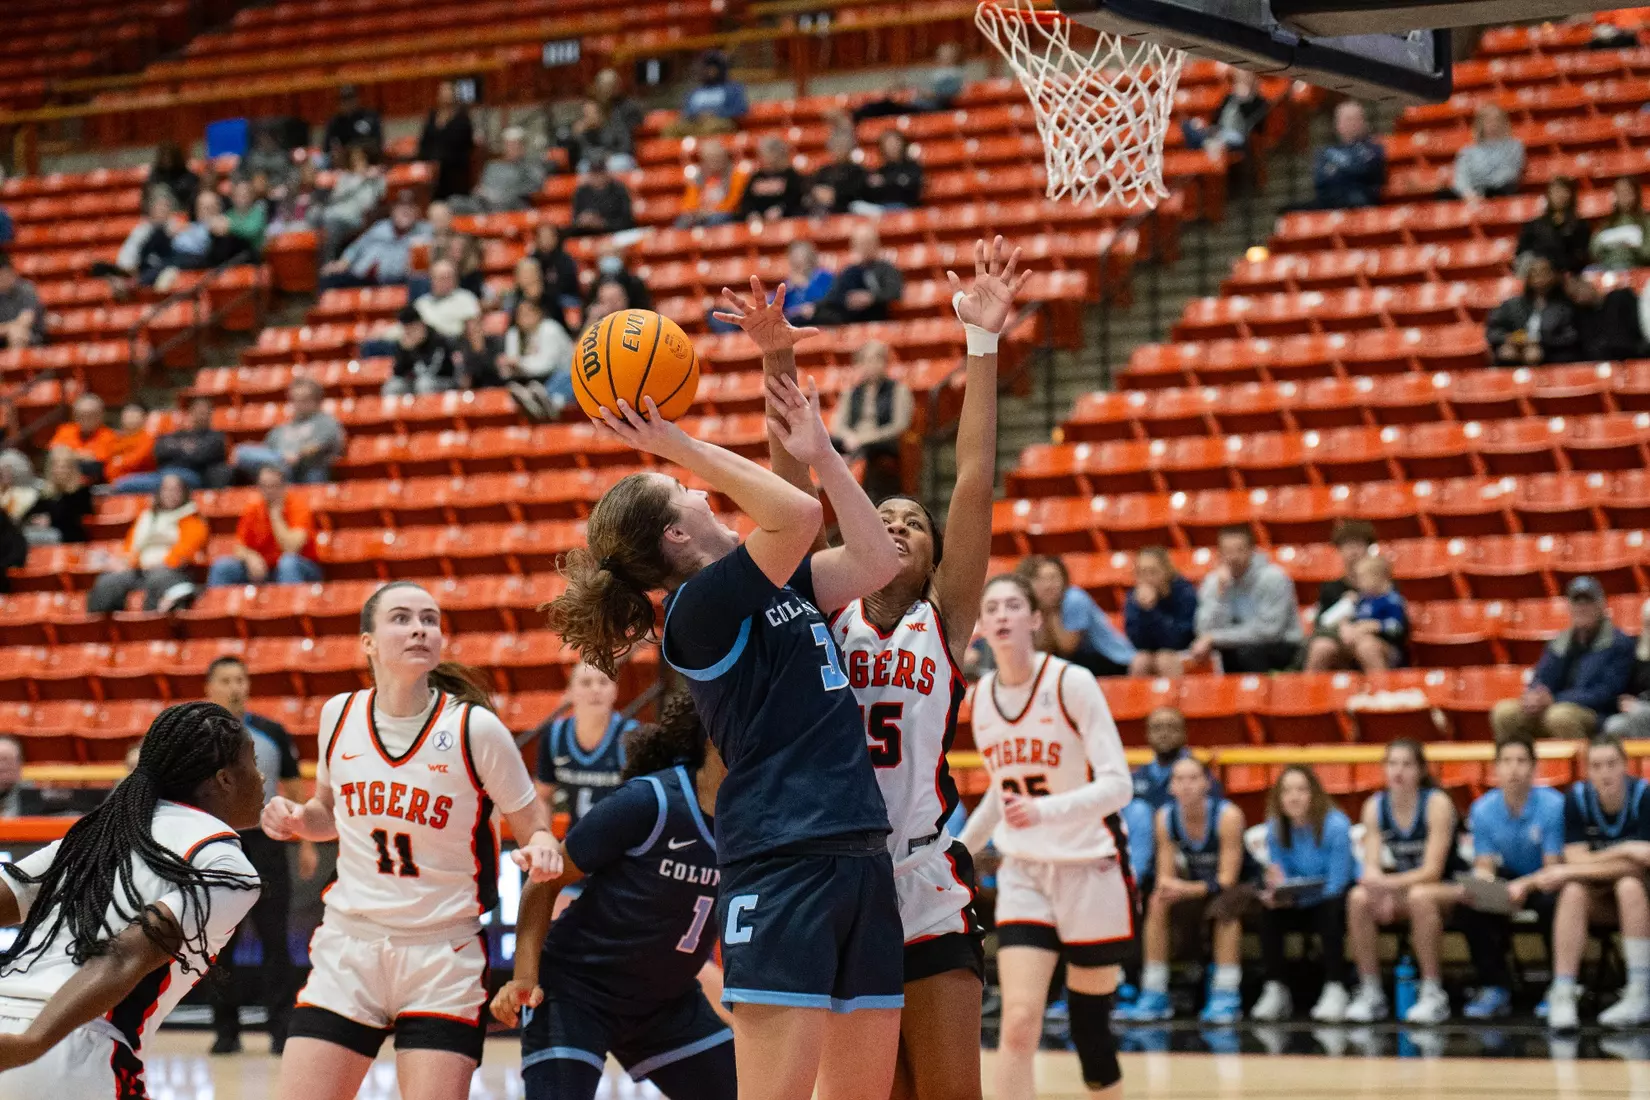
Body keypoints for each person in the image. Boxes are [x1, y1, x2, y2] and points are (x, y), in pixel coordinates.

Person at [541, 309, 905, 1100]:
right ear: (676, 535)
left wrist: (821, 453)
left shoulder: (770, 576)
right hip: (782, 857)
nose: (700, 486)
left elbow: (877, 561)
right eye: (683, 487)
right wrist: (672, 441)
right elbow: (797, 515)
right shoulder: (699, 610)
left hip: (857, 849)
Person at [739, 238, 1025, 1100]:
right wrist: (777, 357)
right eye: (884, 516)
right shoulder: (824, 610)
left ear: (935, 555)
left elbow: (973, 478)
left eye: (914, 523)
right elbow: (788, 497)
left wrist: (982, 342)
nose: (897, 525)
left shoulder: (946, 620)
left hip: (923, 878)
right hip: (839, 878)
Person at [259, 582, 561, 1100]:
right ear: (368, 642)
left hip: (442, 953)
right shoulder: (339, 715)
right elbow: (328, 814)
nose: (420, 629)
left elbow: (534, 825)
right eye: (401, 618)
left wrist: (542, 846)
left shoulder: (476, 729)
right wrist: (296, 819)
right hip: (350, 944)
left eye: (429, 619)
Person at [0, 703, 264, 1096]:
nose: (262, 777)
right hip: (67, 1046)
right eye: (253, 764)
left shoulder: (99, 833)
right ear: (225, 779)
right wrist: (33, 1043)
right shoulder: (225, 863)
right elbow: (124, 956)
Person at [494, 694, 734, 1100]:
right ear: (715, 733)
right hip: (576, 992)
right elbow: (545, 882)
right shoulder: (650, 801)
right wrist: (524, 975)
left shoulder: (756, 819)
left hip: (667, 1002)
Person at [958, 573, 1133, 1098]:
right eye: (992, 607)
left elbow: (1119, 785)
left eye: (1014, 605)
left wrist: (1044, 811)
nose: (1003, 615)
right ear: (982, 625)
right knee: (1016, 1022)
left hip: (1091, 865)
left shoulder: (1071, 683)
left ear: (1035, 619)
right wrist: (957, 852)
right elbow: (1002, 791)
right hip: (1025, 872)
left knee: (1090, 1029)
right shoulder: (980, 698)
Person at [1401, 732, 1565, 1025]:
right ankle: (1494, 986)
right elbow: (1485, 864)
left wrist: (1525, 886)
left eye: (1521, 761)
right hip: (1507, 877)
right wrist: (1485, 885)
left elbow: (1553, 867)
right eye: (1507, 761)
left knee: (1553, 903)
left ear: (1534, 767)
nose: (1514, 769)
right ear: (1495, 768)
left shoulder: (1553, 805)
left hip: (1543, 879)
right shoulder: (1483, 809)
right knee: (1471, 901)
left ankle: (1559, 987)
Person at [200, 657, 314, 1055]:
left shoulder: (272, 732)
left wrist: (306, 841)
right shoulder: (196, 735)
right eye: (225, 680)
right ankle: (225, 1031)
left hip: (265, 843)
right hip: (215, 845)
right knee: (220, 943)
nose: (235, 687)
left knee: (275, 940)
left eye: (240, 679)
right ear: (209, 688)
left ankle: (281, 1029)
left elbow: (294, 787)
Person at [1517, 734, 1650, 1030]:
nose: (1605, 773)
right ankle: (1564, 991)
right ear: (1587, 770)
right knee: (1573, 890)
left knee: (1628, 884)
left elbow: (1641, 863)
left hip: (1642, 898)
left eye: (1611, 764)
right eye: (1597, 766)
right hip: (1599, 896)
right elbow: (1576, 860)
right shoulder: (1576, 798)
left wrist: (1582, 865)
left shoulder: (1644, 795)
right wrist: (1625, 850)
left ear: (1625, 766)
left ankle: (1641, 991)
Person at [1118, 756, 1255, 1024]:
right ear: (1171, 787)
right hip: (1198, 888)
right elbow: (1165, 879)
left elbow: (1227, 880)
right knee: (1158, 900)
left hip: (1242, 889)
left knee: (1225, 908)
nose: (1186, 785)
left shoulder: (1228, 816)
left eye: (1193, 778)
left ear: (1207, 783)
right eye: (1179, 779)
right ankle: (1154, 990)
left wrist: (1184, 889)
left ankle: (1226, 993)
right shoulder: (1165, 817)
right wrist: (1174, 889)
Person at [1342, 739, 1464, 1022]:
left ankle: (1433, 992)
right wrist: (1379, 889)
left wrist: (1387, 886)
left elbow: (1432, 872)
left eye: (1407, 764)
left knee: (1420, 897)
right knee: (1358, 899)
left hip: (1449, 887)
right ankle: (1370, 991)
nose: (1398, 771)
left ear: (1421, 770)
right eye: (1392, 764)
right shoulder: (1375, 806)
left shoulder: (1436, 803)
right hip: (1405, 888)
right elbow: (1371, 868)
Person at [1249, 765, 1355, 1023]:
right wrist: (1278, 894)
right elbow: (1281, 874)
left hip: (1333, 897)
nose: (1294, 797)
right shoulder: (1275, 828)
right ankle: (1275, 987)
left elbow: (1338, 881)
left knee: (1331, 911)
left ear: (1314, 794)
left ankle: (1336, 986)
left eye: (1301, 790)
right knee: (1269, 912)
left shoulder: (1336, 824)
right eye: (1287, 791)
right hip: (1300, 898)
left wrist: (1299, 897)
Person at [1490, 576, 1635, 741]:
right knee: (1504, 713)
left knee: (1560, 717)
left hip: (1596, 713)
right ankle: (1518, 757)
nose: (1582, 607)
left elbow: (1606, 693)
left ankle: (1582, 758)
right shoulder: (1559, 641)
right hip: (1553, 707)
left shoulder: (1618, 643)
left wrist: (1555, 699)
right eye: (1576, 602)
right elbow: (1541, 676)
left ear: (1602, 605)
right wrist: (1534, 696)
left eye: (1588, 601)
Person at [533, 662, 638, 827]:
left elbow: (643, 801)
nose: (596, 689)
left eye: (603, 682)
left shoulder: (631, 736)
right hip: (576, 837)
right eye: (586, 683)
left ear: (615, 691)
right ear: (570, 692)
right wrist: (544, 834)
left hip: (622, 838)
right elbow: (542, 797)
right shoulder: (554, 735)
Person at [85, 473, 207, 614]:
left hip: (173, 571)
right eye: (166, 489)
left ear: (184, 493)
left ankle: (151, 625)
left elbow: (186, 550)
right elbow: (131, 547)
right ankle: (102, 624)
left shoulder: (192, 519)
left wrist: (164, 562)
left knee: (158, 579)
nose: (170, 494)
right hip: (139, 570)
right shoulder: (146, 517)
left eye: (175, 490)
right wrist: (125, 562)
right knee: (108, 581)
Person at [1189, 525, 1302, 673]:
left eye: (1239, 550)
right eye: (1228, 551)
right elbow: (1203, 629)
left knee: (1247, 653)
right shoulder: (1214, 581)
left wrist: (1215, 638)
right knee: (1202, 653)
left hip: (1281, 645)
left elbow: (1269, 632)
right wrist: (1221, 595)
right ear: (1220, 554)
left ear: (1252, 550)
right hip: (1234, 645)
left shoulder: (1273, 577)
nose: (1234, 557)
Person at [1018, 554, 1136, 678]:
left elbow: (1068, 647)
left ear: (1064, 580)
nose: (1048, 585)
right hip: (1080, 664)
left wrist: (1051, 611)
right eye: (1040, 579)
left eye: (1053, 578)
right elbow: (1041, 649)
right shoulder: (1033, 606)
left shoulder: (1075, 598)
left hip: (1112, 661)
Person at [206, 464, 323, 588]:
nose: (269, 491)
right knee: (222, 567)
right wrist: (251, 557)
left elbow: (292, 548)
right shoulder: (254, 509)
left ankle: (289, 600)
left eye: (273, 486)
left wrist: (275, 516)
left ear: (284, 486)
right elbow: (240, 547)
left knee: (288, 563)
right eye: (264, 486)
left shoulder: (298, 506)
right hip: (265, 570)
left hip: (301, 567)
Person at [828, 340, 913, 501]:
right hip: (853, 440)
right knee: (826, 442)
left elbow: (900, 425)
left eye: (876, 359)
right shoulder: (850, 393)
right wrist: (849, 437)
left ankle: (860, 494)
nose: (871, 365)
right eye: (866, 360)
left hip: (881, 441)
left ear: (885, 362)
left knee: (866, 450)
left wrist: (864, 439)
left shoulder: (899, 390)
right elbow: (838, 425)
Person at [1303, 554, 1409, 672]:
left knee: (1367, 647)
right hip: (1354, 642)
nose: (1358, 583)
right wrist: (1345, 623)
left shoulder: (1392, 600)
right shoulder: (1361, 599)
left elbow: (1397, 627)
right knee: (1321, 646)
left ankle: (1380, 683)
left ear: (1379, 577)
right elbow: (1328, 620)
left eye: (1362, 578)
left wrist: (1374, 626)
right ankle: (1309, 683)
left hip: (1384, 647)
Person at [230, 378, 346, 485]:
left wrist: (297, 455)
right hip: (279, 472)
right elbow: (268, 449)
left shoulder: (326, 422)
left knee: (244, 453)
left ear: (317, 401)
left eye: (304, 399)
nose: (298, 404)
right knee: (243, 453)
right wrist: (280, 459)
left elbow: (320, 446)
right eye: (295, 399)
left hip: (306, 473)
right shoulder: (282, 428)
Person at [113, 395, 228, 493]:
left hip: (192, 476)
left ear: (211, 413)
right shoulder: (179, 434)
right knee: (120, 484)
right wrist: (186, 449)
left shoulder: (215, 436)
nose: (201, 414)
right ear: (190, 412)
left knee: (167, 483)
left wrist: (175, 448)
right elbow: (159, 450)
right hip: (162, 473)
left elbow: (199, 456)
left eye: (204, 411)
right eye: (197, 410)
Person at [318, 192, 430, 290]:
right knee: (329, 277)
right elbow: (356, 247)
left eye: (410, 207)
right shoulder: (380, 226)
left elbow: (423, 266)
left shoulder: (424, 232)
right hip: (362, 278)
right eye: (400, 207)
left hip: (396, 281)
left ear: (418, 211)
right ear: (392, 210)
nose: (405, 211)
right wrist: (343, 262)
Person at [1486, 254, 1583, 366]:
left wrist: (1541, 342)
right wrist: (1509, 339)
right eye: (1534, 272)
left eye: (1544, 272)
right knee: (1506, 353)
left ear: (1554, 275)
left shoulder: (1565, 306)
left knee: (1533, 355)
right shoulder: (1512, 305)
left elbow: (1571, 336)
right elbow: (1493, 331)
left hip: (1551, 354)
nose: (1539, 277)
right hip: (1517, 349)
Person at [1124, 546, 1198, 677]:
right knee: (1140, 661)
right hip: (1151, 652)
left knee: (1164, 660)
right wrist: (1144, 610)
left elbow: (1178, 640)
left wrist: (1152, 611)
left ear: (1166, 571)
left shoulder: (1184, 593)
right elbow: (1137, 642)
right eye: (1142, 573)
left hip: (1185, 650)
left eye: (1153, 572)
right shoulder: (1134, 597)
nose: (1147, 578)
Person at [814, 223, 904, 326]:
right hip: (850, 323)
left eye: (867, 243)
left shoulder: (886, 269)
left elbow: (894, 292)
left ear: (876, 244)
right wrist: (847, 299)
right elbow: (832, 296)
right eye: (860, 243)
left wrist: (871, 298)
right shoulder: (849, 272)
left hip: (879, 321)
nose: (864, 247)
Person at [500, 298, 575, 419]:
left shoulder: (549, 328)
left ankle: (546, 401)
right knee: (523, 385)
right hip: (538, 380)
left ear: (538, 313)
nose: (524, 318)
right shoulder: (516, 334)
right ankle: (535, 401)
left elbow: (546, 366)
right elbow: (508, 370)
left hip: (565, 377)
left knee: (564, 377)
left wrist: (518, 363)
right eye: (520, 314)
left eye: (528, 313)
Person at [1129, 706, 1215, 811]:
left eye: (1171, 727)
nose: (1164, 734)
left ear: (1184, 733)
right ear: (1147, 734)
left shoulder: (1200, 775)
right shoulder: (1138, 777)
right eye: (1157, 728)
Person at [1305, 101, 1385, 210]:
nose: (1350, 124)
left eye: (1354, 119)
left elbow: (1362, 170)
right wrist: (1348, 166)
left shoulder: (1374, 148)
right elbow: (1320, 180)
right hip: (1329, 201)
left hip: (1362, 202)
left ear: (1363, 122)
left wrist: (1336, 168)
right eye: (1347, 119)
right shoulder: (1325, 152)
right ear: (1337, 124)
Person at [1179, 68, 1269, 156]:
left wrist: (1244, 99)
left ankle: (1207, 145)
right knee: (1187, 125)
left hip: (1238, 136)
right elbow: (1217, 117)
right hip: (1220, 131)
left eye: (1245, 78)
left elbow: (1255, 124)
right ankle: (1207, 145)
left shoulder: (1258, 101)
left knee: (1219, 140)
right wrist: (1205, 125)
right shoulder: (1229, 97)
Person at [318, 145, 385, 260]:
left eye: (361, 159)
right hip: (333, 214)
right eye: (354, 160)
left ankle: (328, 262)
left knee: (331, 224)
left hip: (354, 218)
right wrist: (360, 179)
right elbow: (335, 197)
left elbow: (369, 203)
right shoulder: (346, 177)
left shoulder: (375, 180)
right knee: (315, 215)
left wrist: (374, 178)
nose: (357, 163)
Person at [1516, 176, 1592, 274]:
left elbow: (1582, 256)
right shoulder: (1533, 226)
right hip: (1538, 275)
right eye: (1556, 191)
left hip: (1568, 275)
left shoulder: (1580, 226)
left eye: (1564, 191)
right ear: (1548, 195)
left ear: (1571, 195)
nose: (1559, 195)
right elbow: (1521, 253)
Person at [1450, 103, 1524, 201]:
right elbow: (1460, 179)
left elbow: (1510, 173)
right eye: (1488, 120)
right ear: (1480, 124)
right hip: (1472, 197)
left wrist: (1483, 190)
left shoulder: (1514, 146)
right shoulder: (1467, 152)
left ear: (1504, 122)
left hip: (1501, 193)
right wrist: (1469, 194)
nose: (1493, 124)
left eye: (1497, 119)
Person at [417, 80, 476, 201]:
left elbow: (461, 148)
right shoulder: (432, 116)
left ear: (454, 94)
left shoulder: (462, 119)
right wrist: (426, 161)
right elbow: (424, 142)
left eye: (448, 91)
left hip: (454, 170)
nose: (445, 94)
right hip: (431, 167)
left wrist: (438, 163)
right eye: (442, 91)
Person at [464, 127, 546, 214]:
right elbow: (483, 187)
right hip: (487, 206)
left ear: (523, 147)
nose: (511, 148)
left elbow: (536, 186)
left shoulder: (530, 168)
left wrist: (505, 194)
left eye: (515, 145)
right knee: (457, 203)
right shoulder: (493, 166)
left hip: (513, 209)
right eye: (508, 145)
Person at [667, 51, 748, 138]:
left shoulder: (732, 89)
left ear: (720, 69)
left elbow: (740, 109)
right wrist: (698, 115)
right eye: (707, 68)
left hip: (719, 121)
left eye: (713, 68)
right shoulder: (696, 91)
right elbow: (686, 111)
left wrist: (716, 113)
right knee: (671, 129)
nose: (709, 71)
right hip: (696, 122)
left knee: (712, 127)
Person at [110, 187, 177, 291]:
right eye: (160, 206)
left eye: (166, 206)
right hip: (144, 272)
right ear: (151, 209)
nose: (163, 210)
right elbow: (125, 261)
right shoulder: (142, 231)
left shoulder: (176, 228)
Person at [21, 450, 92, 546]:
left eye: (64, 467)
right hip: (47, 534)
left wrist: (51, 520)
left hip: (71, 537)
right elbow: (30, 514)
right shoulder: (47, 491)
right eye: (55, 466)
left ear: (72, 469)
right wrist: (35, 519)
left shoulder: (82, 491)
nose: (59, 471)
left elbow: (76, 519)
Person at [676, 141, 750, 229]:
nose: (715, 162)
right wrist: (695, 212)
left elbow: (733, 203)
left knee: (716, 219)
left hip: (725, 215)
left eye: (717, 158)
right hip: (701, 215)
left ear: (724, 157)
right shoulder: (699, 177)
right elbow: (689, 202)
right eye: (710, 159)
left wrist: (711, 211)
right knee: (683, 221)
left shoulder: (737, 176)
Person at [1605, 598, 1650, 738]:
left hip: (1642, 710)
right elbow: (1624, 687)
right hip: (1638, 708)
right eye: (1648, 624)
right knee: (1612, 725)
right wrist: (1623, 701)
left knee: (1639, 713)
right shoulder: (1636, 650)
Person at [47, 394, 116, 481]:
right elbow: (54, 452)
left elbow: (97, 464)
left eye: (91, 415)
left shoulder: (109, 436)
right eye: (81, 415)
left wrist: (69, 454)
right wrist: (82, 456)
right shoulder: (66, 430)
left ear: (101, 415)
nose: (85, 419)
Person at [171, 190, 245, 272]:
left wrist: (224, 233)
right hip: (182, 266)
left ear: (220, 208)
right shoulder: (188, 228)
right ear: (197, 211)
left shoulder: (229, 227)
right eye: (205, 208)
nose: (210, 211)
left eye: (213, 207)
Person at [1589, 177, 1650, 271]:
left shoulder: (1645, 222)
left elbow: (1647, 253)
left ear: (1635, 194)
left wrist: (1633, 246)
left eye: (1627, 191)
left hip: (1636, 268)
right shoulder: (1607, 223)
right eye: (1619, 192)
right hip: (1608, 268)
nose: (1623, 196)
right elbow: (1594, 250)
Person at [412, 258, 480, 342]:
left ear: (455, 279)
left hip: (456, 344)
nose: (444, 282)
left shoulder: (466, 298)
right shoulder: (420, 304)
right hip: (427, 345)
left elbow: (474, 331)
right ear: (431, 280)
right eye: (440, 278)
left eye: (448, 277)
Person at [804, 128, 867, 217]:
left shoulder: (857, 170)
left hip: (847, 210)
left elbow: (857, 192)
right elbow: (810, 185)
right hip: (822, 209)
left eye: (842, 145)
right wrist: (816, 191)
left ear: (850, 147)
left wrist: (834, 194)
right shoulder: (824, 170)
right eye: (835, 145)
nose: (838, 149)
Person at [737, 136, 803, 221]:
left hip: (784, 220)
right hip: (757, 221)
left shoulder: (791, 175)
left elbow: (795, 198)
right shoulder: (756, 176)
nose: (764, 158)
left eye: (767, 154)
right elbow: (746, 201)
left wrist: (780, 209)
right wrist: (751, 213)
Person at [531, 223, 583, 326]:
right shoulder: (532, 260)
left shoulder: (565, 260)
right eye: (542, 237)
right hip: (540, 298)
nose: (546, 240)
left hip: (562, 297)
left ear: (556, 238)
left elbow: (568, 285)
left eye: (549, 237)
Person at [859, 131, 923, 211]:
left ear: (903, 144)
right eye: (888, 144)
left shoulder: (912, 167)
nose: (892, 147)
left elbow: (912, 187)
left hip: (906, 208)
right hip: (881, 209)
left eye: (895, 143)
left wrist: (885, 181)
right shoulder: (880, 170)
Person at [570, 159, 636, 236]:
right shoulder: (582, 192)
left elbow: (627, 221)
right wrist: (582, 221)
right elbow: (575, 220)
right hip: (587, 234)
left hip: (614, 234)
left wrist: (603, 223)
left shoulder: (619, 190)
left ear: (606, 174)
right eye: (594, 174)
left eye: (600, 173)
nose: (598, 177)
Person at [322, 84, 383, 163]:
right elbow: (327, 148)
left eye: (351, 98)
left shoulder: (370, 117)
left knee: (358, 153)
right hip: (345, 160)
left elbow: (377, 142)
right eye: (344, 100)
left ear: (358, 99)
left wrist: (356, 149)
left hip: (370, 157)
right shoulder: (335, 122)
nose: (348, 103)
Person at [102, 402, 157, 488]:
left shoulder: (148, 439)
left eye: (134, 416)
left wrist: (119, 461)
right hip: (114, 481)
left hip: (139, 480)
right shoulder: (115, 439)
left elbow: (135, 460)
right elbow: (107, 460)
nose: (130, 419)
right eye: (127, 416)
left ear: (144, 418)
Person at [587, 243, 652, 311]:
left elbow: (645, 308)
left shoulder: (634, 282)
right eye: (605, 254)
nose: (609, 257)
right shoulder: (595, 284)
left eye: (613, 253)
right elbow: (588, 310)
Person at [0, 253, 44, 349]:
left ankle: (14, 359)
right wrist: (9, 328)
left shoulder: (26, 289)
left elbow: (25, 321)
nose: (4, 279)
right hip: (4, 335)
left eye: (6, 274)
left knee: (17, 335)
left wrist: (9, 329)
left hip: (29, 336)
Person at [451, 315, 504, 391]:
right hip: (473, 389)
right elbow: (463, 379)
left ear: (481, 329)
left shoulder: (493, 344)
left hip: (494, 386)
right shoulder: (462, 350)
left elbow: (498, 370)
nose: (474, 335)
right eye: (470, 332)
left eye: (476, 330)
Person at [148, 142, 200, 213]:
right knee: (160, 190)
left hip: (181, 209)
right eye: (164, 156)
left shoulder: (188, 177)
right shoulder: (155, 175)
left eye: (169, 156)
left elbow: (191, 200)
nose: (166, 160)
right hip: (159, 211)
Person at [226, 177, 267, 256]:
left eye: (245, 195)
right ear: (232, 197)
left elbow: (251, 230)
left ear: (252, 196)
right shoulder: (229, 214)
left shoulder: (257, 212)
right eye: (238, 195)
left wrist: (230, 226)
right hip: (235, 254)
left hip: (255, 254)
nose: (242, 199)